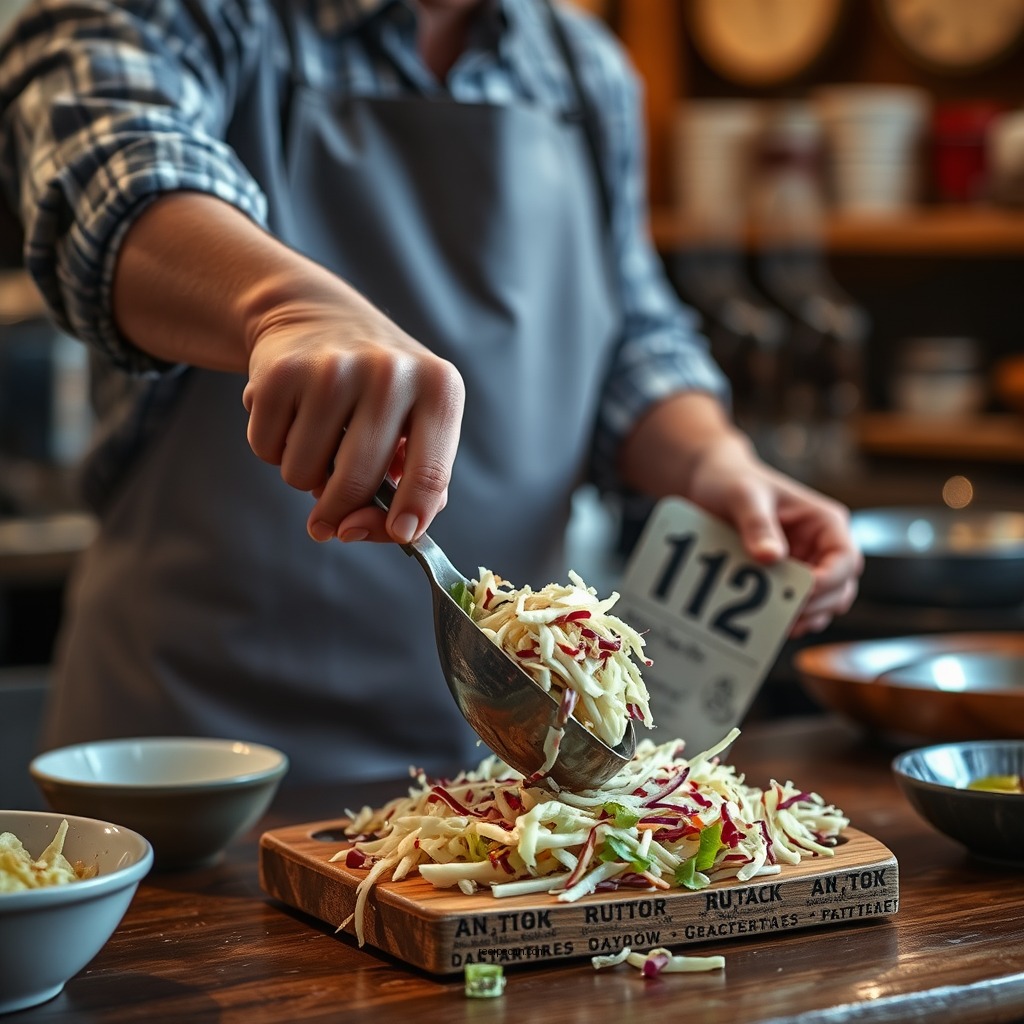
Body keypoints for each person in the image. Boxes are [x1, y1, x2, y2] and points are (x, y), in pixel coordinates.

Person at [0, 0, 861, 786]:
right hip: (191, 758)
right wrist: (283, 305)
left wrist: (711, 457)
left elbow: (630, 335)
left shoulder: (584, 69)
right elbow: (104, 172)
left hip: (498, 755)